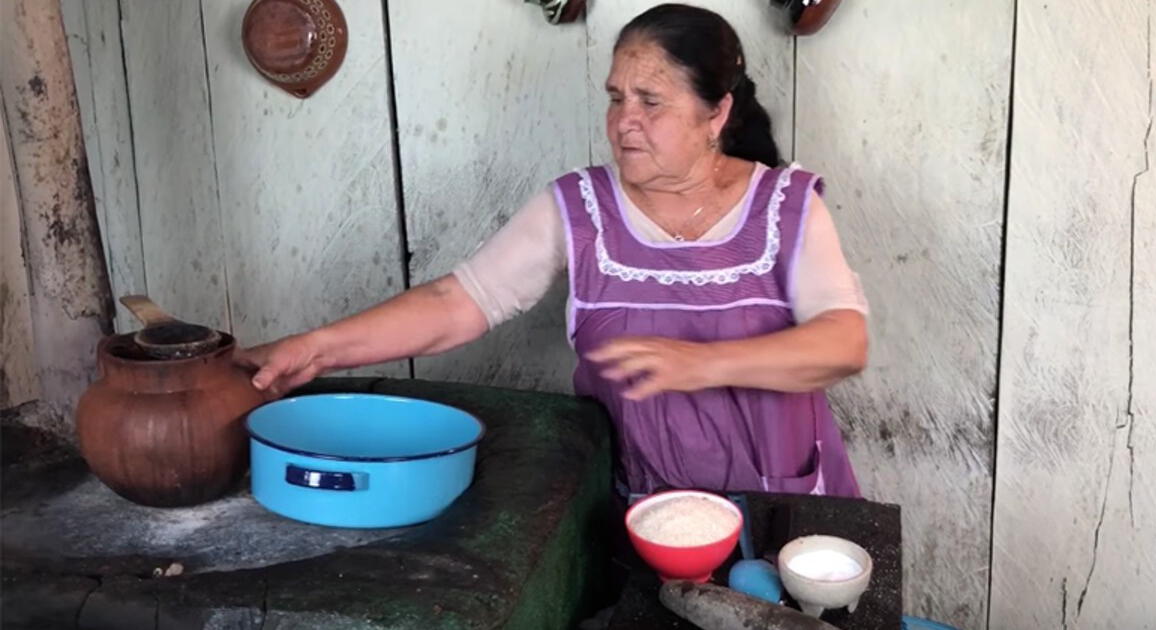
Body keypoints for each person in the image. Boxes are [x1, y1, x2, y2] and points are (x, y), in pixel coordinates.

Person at [236, 3, 869, 502]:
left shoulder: (784, 204)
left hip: (786, 509)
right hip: (638, 509)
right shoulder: (579, 206)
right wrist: (316, 349)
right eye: (617, 97)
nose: (624, 121)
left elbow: (844, 343)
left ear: (716, 113)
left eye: (651, 102)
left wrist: (700, 364)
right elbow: (459, 302)